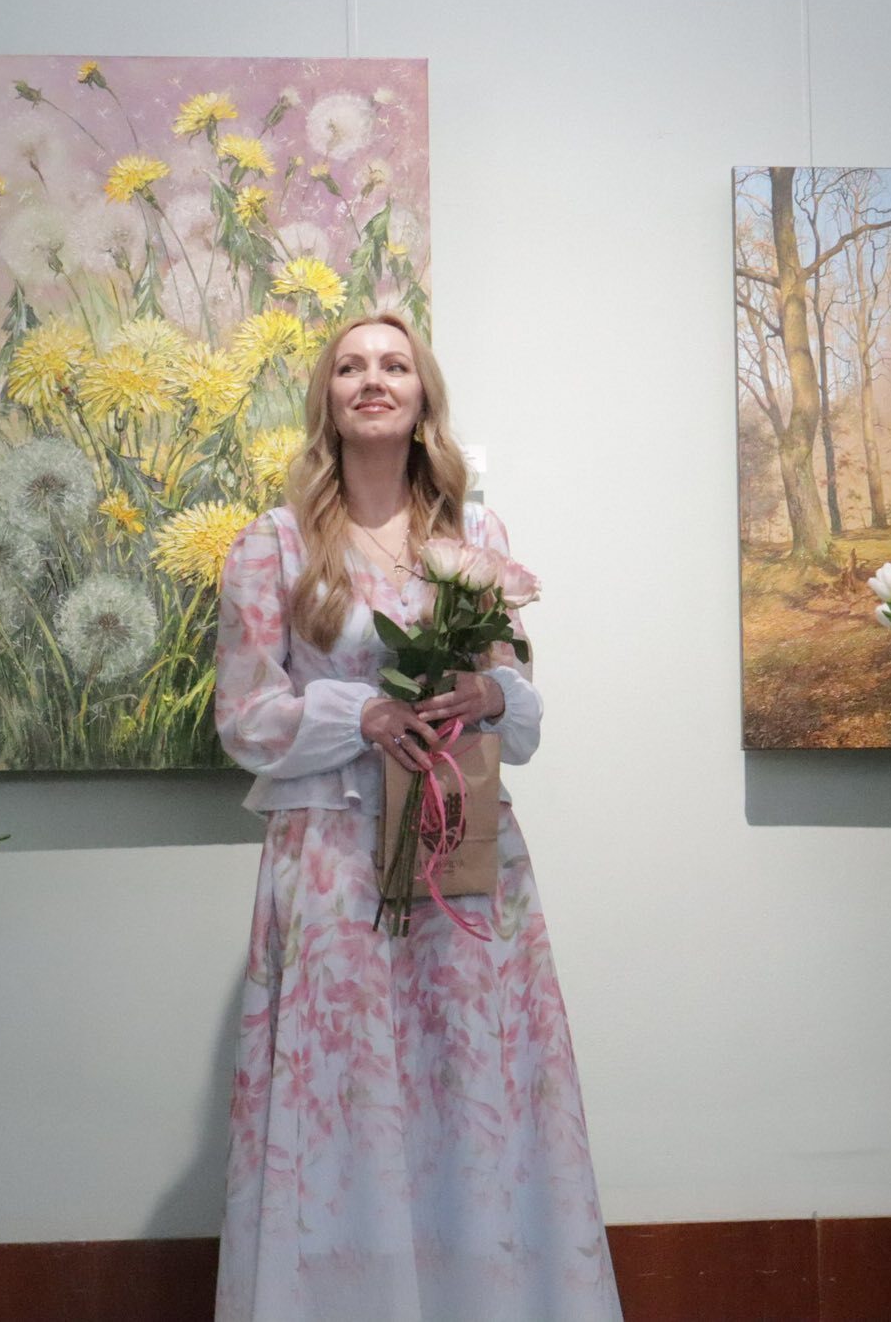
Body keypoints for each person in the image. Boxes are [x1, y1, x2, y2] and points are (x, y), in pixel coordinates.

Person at [210, 313, 622, 1321]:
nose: (372, 379)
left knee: (468, 1092)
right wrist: (361, 712)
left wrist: (486, 694)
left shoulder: (475, 539)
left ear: (422, 394)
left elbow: (518, 700)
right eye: (350, 366)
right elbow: (244, 715)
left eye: (393, 364)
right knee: (344, 1102)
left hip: (463, 854)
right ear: (328, 399)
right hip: (333, 858)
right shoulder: (271, 543)